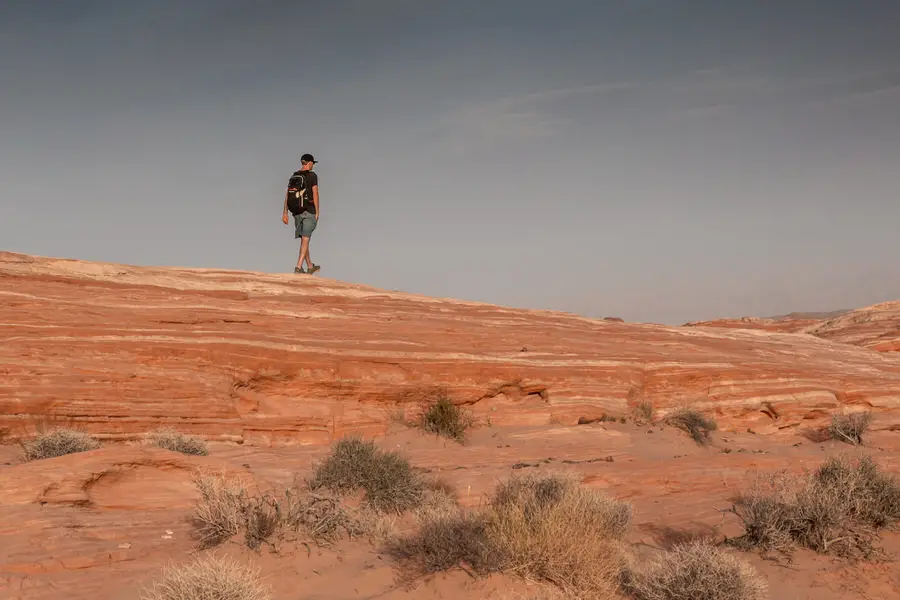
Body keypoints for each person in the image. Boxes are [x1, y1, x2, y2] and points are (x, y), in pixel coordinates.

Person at [282, 153, 320, 274]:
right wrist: (317, 211)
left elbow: (288, 195)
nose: (313, 165)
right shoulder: (312, 176)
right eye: (312, 163)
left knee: (304, 239)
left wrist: (285, 212)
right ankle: (298, 267)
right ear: (309, 163)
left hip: (296, 211)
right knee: (305, 239)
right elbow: (315, 193)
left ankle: (309, 266)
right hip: (309, 211)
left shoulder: (295, 175)